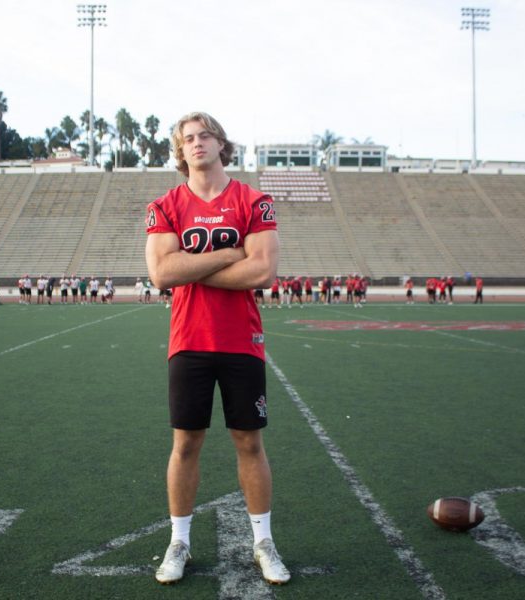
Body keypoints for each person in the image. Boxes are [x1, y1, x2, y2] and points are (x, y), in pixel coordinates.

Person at [145, 111, 289, 586]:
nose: (197, 142)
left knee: (249, 441)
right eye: (188, 138)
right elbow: (163, 274)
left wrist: (193, 264)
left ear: (221, 144)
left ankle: (263, 540)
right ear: (180, 151)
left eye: (205, 134)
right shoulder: (165, 204)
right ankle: (179, 541)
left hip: (240, 340)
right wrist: (230, 254)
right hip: (189, 339)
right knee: (185, 443)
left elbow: (263, 271)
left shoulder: (254, 200)